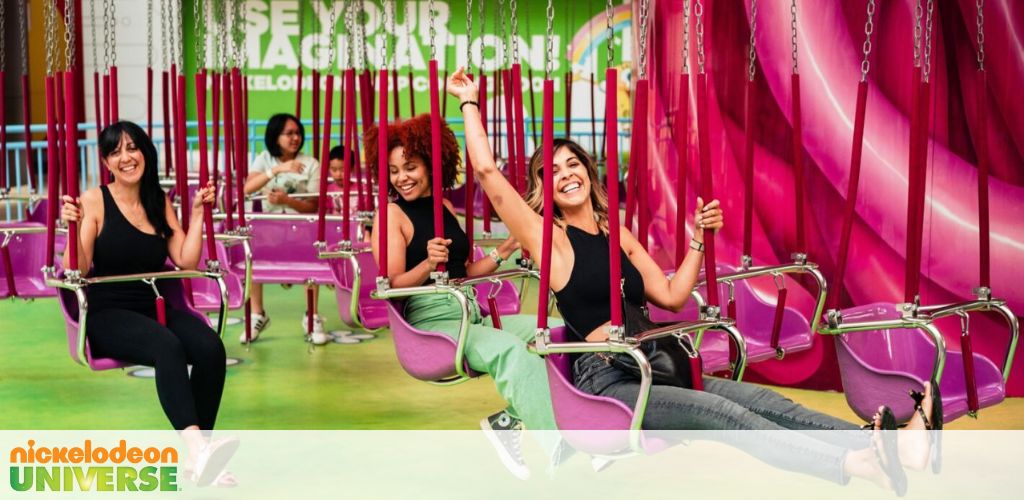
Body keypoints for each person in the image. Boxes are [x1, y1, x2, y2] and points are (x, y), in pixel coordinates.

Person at [448, 68, 938, 491]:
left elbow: (671, 294)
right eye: (551, 172)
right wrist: (469, 102)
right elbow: (489, 172)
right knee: (731, 418)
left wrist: (700, 239)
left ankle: (899, 446)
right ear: (542, 189)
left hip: (654, 361)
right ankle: (855, 462)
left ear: (588, 171)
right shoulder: (547, 239)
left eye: (572, 163)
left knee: (765, 401)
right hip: (611, 380)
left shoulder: (617, 232)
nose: (566, 174)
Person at [367, 113, 562, 479]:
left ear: (432, 164)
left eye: (410, 166)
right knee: (510, 351)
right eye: (393, 171)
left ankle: (509, 421)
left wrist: (503, 250)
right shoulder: (391, 215)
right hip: (432, 323)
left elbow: (465, 272)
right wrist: (427, 264)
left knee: (557, 334)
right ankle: (558, 443)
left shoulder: (444, 208)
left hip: (468, 309)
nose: (402, 178)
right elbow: (390, 285)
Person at [60, 121, 236, 487]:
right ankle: (199, 449)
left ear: (144, 152)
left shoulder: (159, 200)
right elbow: (75, 269)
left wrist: (199, 214)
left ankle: (197, 458)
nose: (126, 157)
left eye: (132, 148)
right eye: (115, 151)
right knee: (166, 346)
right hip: (106, 313)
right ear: (107, 163)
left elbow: (186, 261)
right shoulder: (93, 201)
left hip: (150, 307)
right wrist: (70, 229)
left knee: (210, 347)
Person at [243, 113, 328, 344]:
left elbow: (313, 205)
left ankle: (312, 315)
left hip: (300, 229)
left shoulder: (311, 163)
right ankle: (257, 314)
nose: (295, 138)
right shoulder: (264, 159)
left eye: (298, 132)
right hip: (268, 230)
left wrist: (287, 201)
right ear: (275, 136)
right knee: (252, 254)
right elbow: (247, 189)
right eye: (289, 133)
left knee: (313, 259)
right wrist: (278, 170)